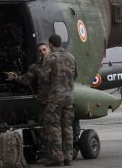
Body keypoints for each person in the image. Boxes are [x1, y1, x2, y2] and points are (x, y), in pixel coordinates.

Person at [39, 34, 77, 167]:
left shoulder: (50, 58)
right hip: (69, 98)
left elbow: (44, 79)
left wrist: (43, 99)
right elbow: (75, 75)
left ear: (50, 44)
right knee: (67, 127)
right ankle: (68, 157)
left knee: (53, 127)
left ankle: (57, 157)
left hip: (55, 98)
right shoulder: (71, 57)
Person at [7, 42, 50, 157]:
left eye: (44, 50)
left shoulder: (57, 63)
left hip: (58, 99)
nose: (42, 53)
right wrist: (16, 77)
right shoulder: (36, 67)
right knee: (47, 129)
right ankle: (51, 155)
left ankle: (64, 154)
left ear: (49, 50)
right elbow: (26, 79)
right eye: (40, 51)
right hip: (46, 101)